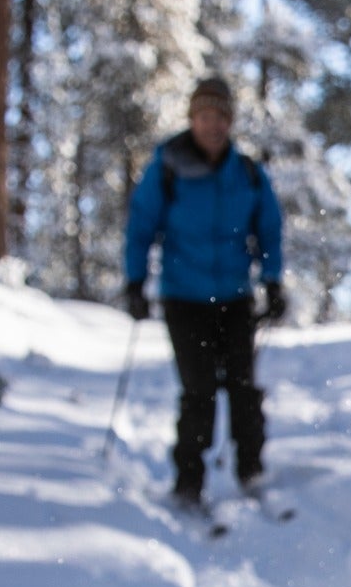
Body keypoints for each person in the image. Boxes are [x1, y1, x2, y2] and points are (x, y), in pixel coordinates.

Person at [123, 76, 287, 508]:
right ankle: (188, 483)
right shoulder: (169, 168)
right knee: (198, 390)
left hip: (234, 297)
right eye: (204, 116)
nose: (212, 125)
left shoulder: (248, 174)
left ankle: (251, 469)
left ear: (229, 122)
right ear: (192, 119)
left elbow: (269, 230)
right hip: (184, 297)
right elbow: (141, 227)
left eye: (219, 117)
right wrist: (134, 282)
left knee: (242, 386)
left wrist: (272, 280)